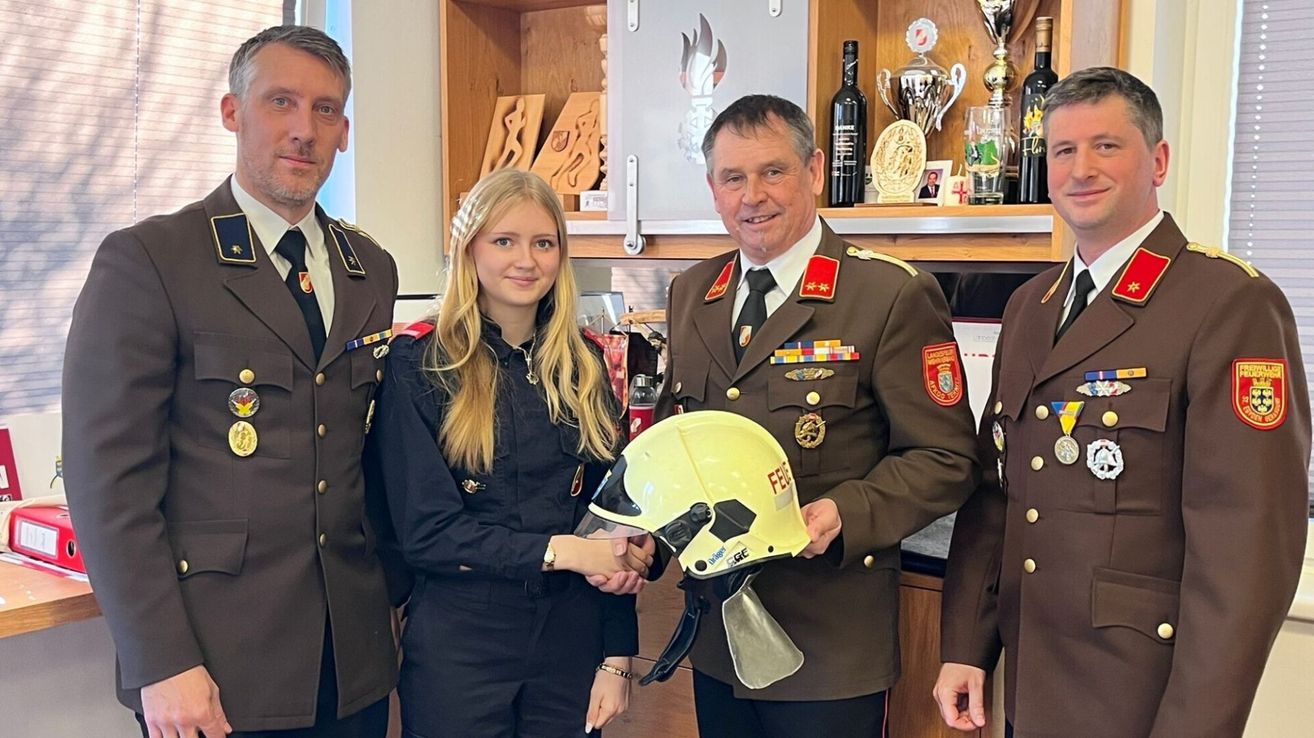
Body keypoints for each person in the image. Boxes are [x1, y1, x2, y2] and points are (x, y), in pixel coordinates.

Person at [935, 67, 1311, 738]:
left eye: (1107, 146)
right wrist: (967, 643)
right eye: (1063, 150)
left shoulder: (1228, 304)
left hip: (1140, 700)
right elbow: (998, 491)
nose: (1082, 169)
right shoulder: (1031, 306)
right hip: (1031, 681)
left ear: (1158, 160)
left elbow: (1246, 551)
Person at [62, 25, 399, 738]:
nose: (303, 130)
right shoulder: (154, 260)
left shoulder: (370, 269)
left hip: (352, 658)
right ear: (232, 112)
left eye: (326, 110)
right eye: (281, 102)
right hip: (217, 665)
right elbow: (108, 485)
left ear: (344, 131)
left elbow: (365, 459)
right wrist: (160, 661)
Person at [655, 93, 980, 737]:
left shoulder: (889, 293)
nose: (754, 196)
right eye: (733, 178)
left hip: (828, 646)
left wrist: (844, 512)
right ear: (713, 191)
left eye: (773, 171)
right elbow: (677, 440)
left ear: (814, 171)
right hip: (719, 639)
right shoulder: (693, 292)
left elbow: (947, 458)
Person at [367, 168, 651, 738]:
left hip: (570, 638)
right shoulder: (419, 365)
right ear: (468, 250)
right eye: (504, 241)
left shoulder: (587, 365)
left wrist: (618, 655)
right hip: (462, 638)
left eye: (543, 243)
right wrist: (565, 551)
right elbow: (427, 533)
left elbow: (614, 517)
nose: (527, 260)